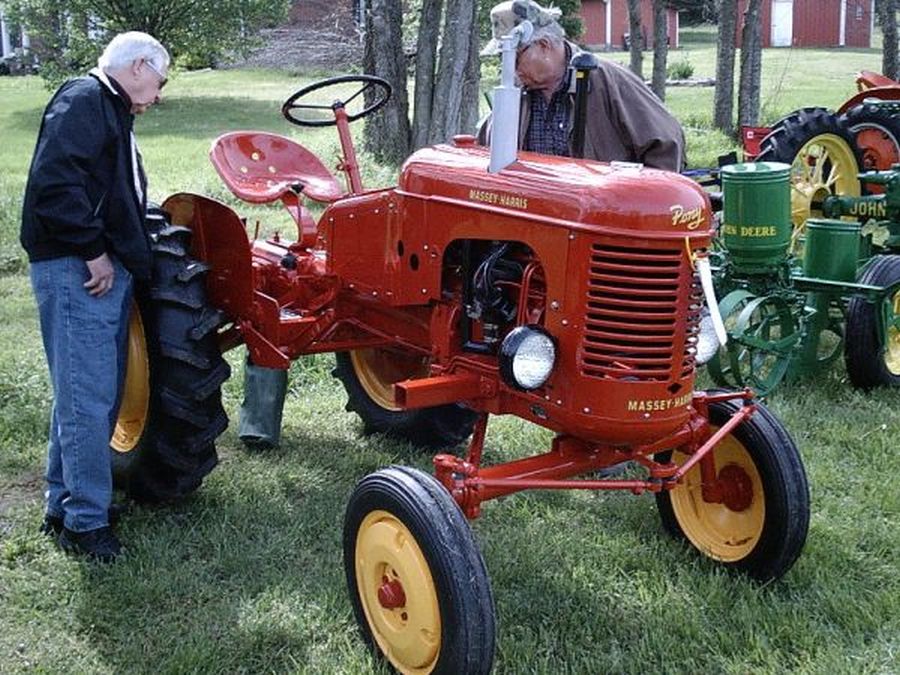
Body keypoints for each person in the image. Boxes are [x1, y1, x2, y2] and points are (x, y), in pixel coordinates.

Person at [20, 32, 170, 562]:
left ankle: (63, 506)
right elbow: (54, 185)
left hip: (93, 267)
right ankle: (87, 525)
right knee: (88, 399)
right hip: (78, 271)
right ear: (138, 66)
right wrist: (92, 251)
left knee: (83, 394)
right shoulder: (84, 99)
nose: (158, 93)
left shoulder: (109, 107)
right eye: (159, 80)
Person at [478, 0, 685, 171]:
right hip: (538, 204)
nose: (510, 69)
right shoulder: (515, 93)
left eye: (513, 58)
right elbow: (485, 151)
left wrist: (639, 201)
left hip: (601, 206)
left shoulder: (606, 79)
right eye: (502, 59)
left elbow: (667, 143)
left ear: (543, 46)